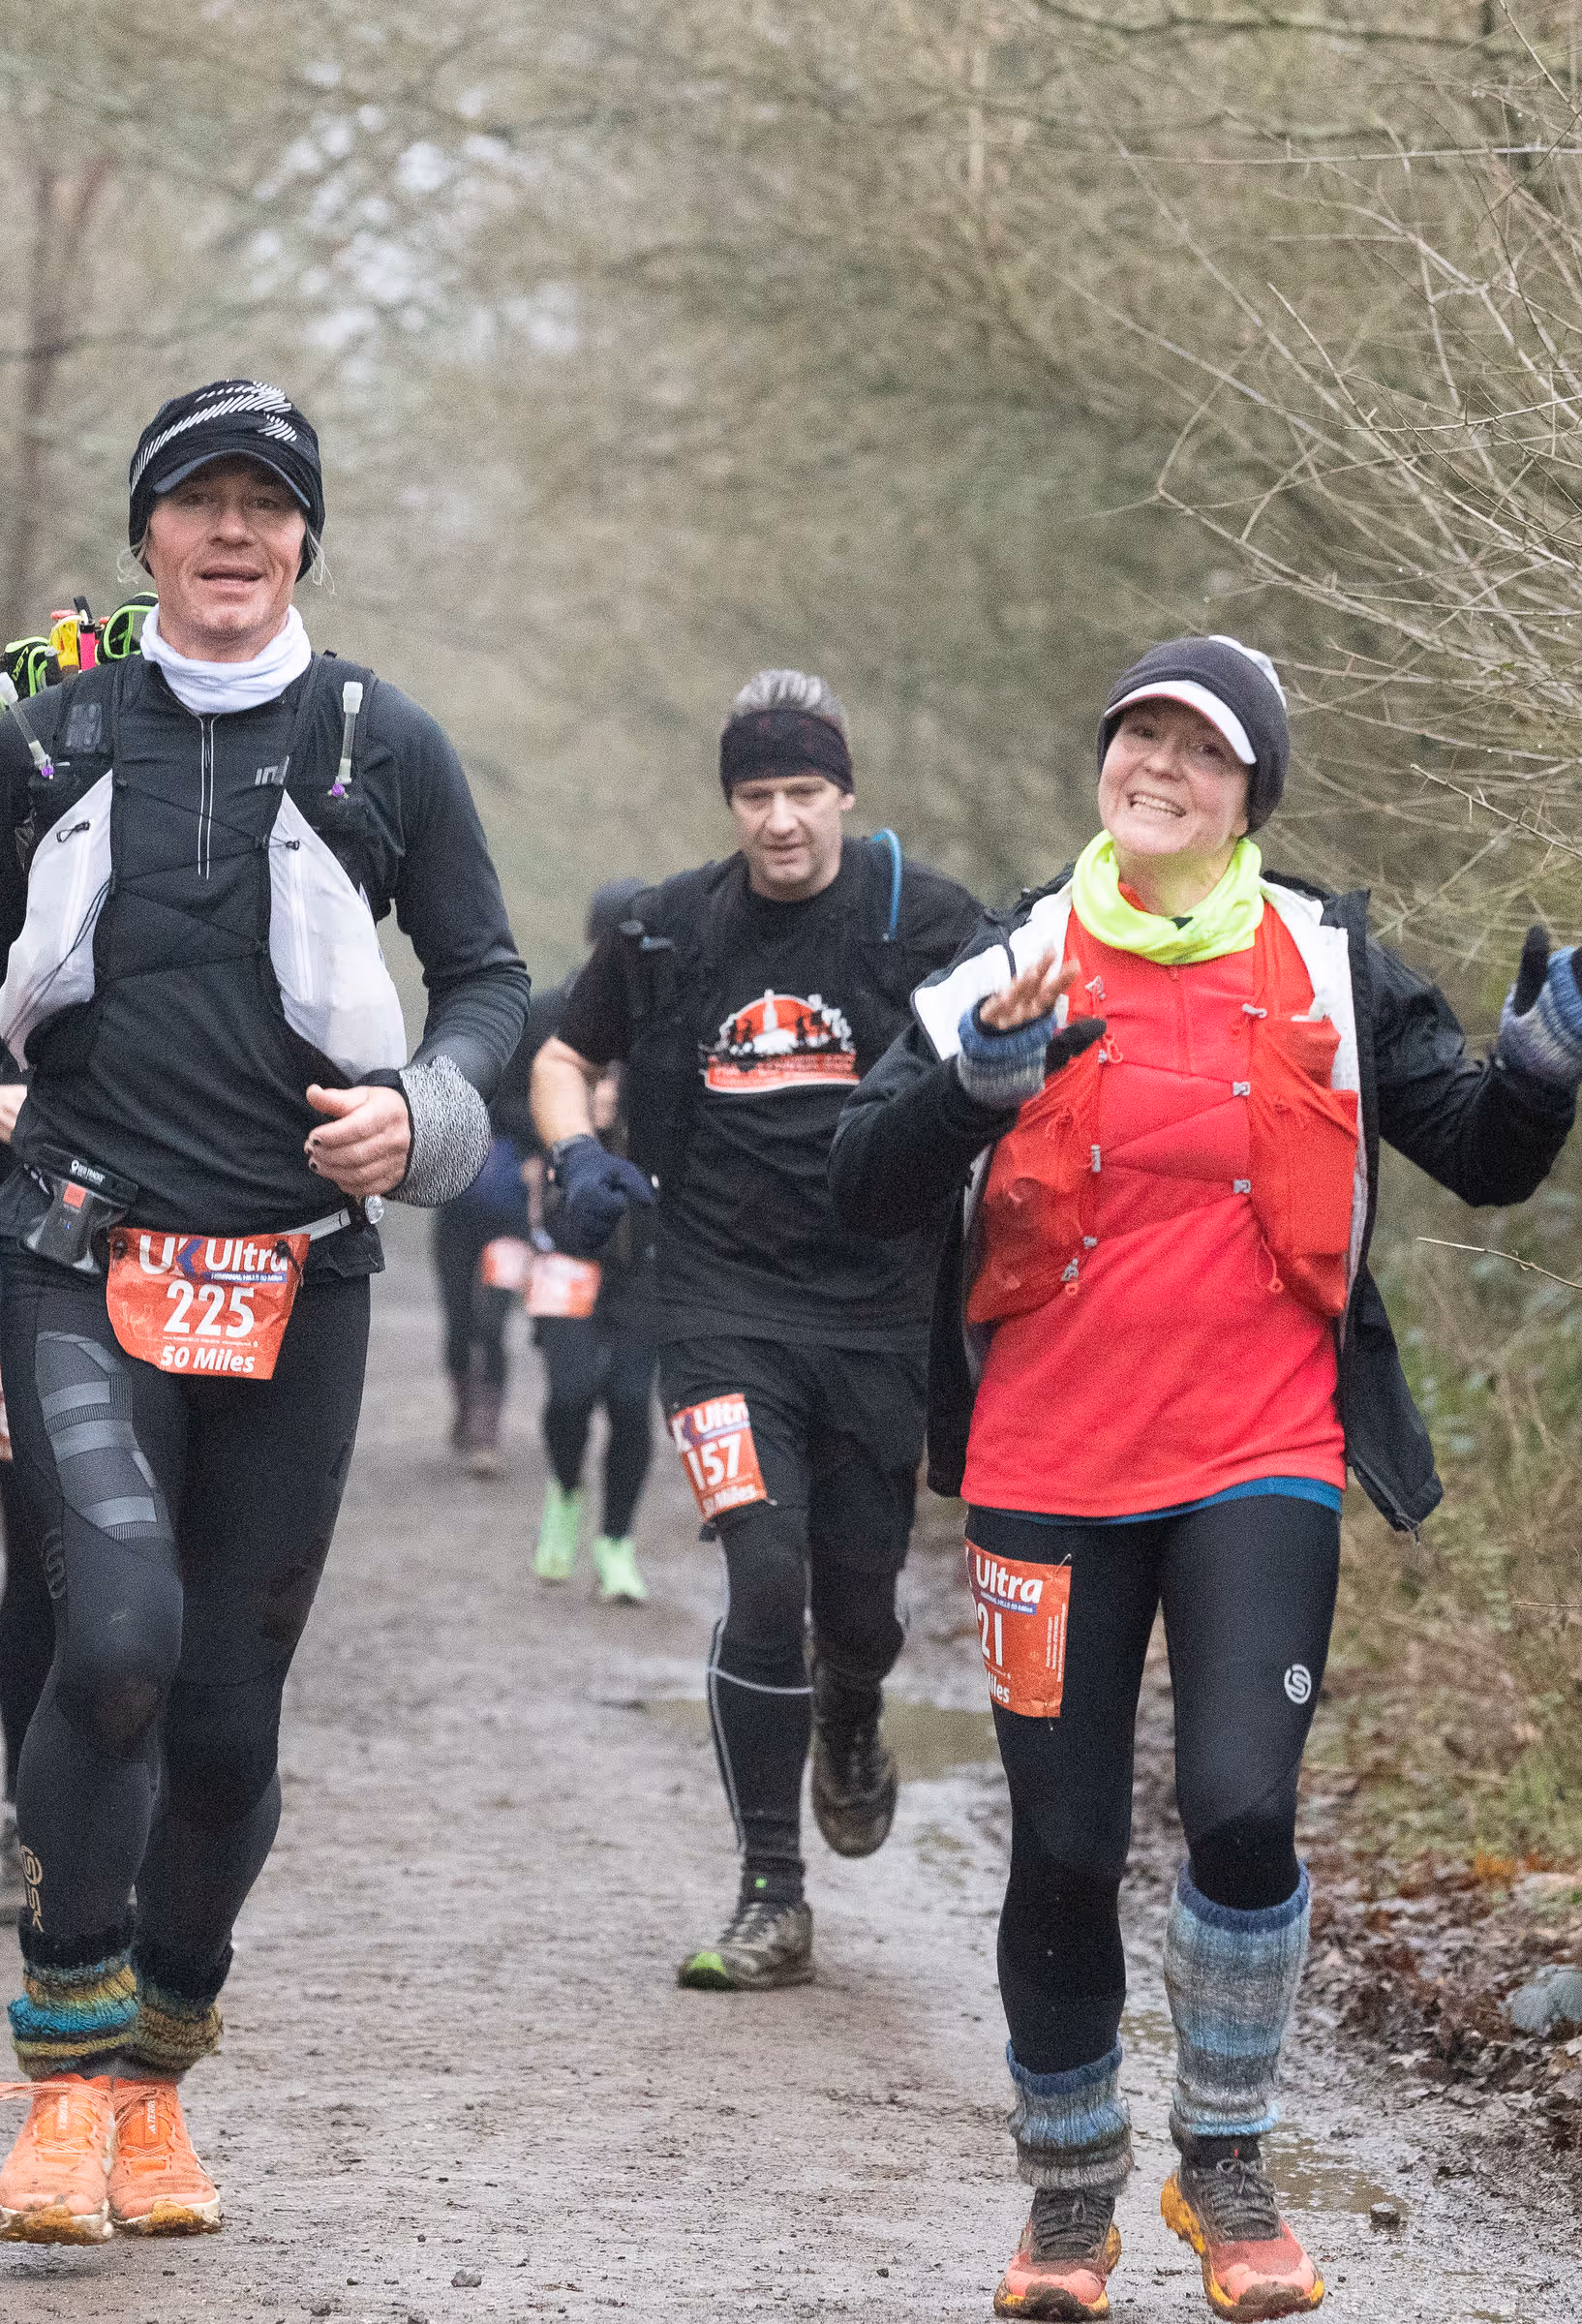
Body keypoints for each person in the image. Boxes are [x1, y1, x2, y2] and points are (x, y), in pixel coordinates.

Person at [828, 636, 1582, 2322]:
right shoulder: (1009, 959)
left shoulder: (1330, 964)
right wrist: (980, 1083)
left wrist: (1554, 1053)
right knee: (1061, 1852)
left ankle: (1226, 2165)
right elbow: (858, 1178)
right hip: (1047, 1470)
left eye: (1201, 751)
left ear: (1247, 794)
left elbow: (1480, 1151)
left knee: (1239, 1809)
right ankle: (1069, 2206)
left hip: (1259, 1453)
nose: (1162, 767)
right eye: (1139, 736)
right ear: (1104, 768)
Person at [0, 378, 527, 2247]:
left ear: (307, 539)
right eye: (198, 503)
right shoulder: (53, 736)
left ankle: (153, 2088)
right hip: (71, 1252)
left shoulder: (390, 746)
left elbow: (485, 978)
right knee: (120, 1634)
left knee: (227, 1720)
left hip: (298, 1275)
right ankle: (59, 2095)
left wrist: (428, 1110)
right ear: (144, 537)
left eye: (267, 506)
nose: (233, 534)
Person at [532, 671, 983, 1992]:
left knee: (858, 1602)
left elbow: (1016, 1073)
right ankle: (770, 1893)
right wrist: (580, 1157)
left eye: (802, 791)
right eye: (755, 795)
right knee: (763, 1577)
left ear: (845, 792)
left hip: (879, 1315)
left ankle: (855, 1708)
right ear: (728, 802)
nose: (780, 820)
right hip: (718, 1307)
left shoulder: (928, 924)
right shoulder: (669, 933)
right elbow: (565, 1056)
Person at [509, 878, 655, 1601]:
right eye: (611, 943)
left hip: (644, 1256)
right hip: (564, 1242)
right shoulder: (549, 1018)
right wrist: (550, 1139)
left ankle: (617, 1544)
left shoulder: (668, 1022)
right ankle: (565, 1494)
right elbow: (502, 1097)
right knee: (570, 1394)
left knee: (630, 1401)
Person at [0, 1077, 61, 1925]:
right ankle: (21, 1825)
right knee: (37, 1559)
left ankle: (152, 1830)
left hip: (175, 1267)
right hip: (16, 1271)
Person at [430, 1103, 527, 1477]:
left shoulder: (534, 1049)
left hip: (509, 1214)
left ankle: (486, 1433)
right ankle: (465, 1404)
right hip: (456, 1216)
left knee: (492, 1324)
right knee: (458, 1323)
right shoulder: (452, 1053)